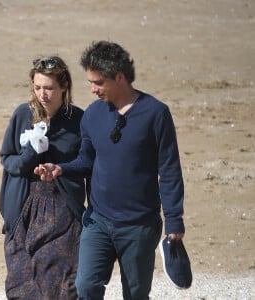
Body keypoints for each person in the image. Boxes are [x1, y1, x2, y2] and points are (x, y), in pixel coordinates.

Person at [35, 41, 186, 300]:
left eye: (98, 82)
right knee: (86, 288)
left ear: (119, 77)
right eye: (90, 82)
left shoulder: (156, 114)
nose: (92, 89)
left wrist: (174, 221)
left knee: (136, 294)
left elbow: (170, 170)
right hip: (98, 222)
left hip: (139, 225)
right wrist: (60, 168)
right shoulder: (92, 115)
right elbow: (86, 161)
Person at [0, 54, 86, 299]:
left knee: (57, 285)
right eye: (37, 87)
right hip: (22, 209)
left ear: (64, 86)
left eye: (49, 88)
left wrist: (61, 169)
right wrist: (31, 152)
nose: (42, 94)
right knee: (21, 284)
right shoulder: (22, 115)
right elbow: (8, 161)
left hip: (63, 211)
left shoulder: (79, 120)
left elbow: (89, 165)